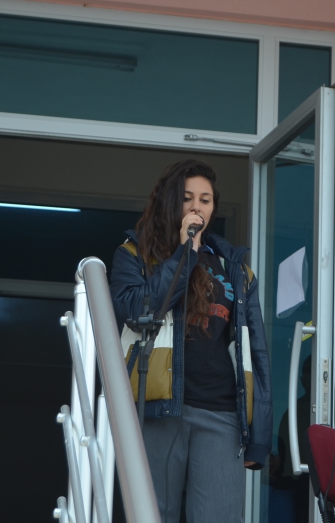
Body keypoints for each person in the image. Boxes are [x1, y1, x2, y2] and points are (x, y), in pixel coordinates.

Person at [110, 159, 272, 523]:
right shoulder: (135, 256)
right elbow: (139, 311)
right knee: (152, 516)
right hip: (161, 409)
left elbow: (256, 353)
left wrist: (260, 434)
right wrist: (186, 252)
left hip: (223, 413)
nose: (197, 207)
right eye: (187, 198)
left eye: (206, 199)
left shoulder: (235, 268)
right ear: (171, 202)